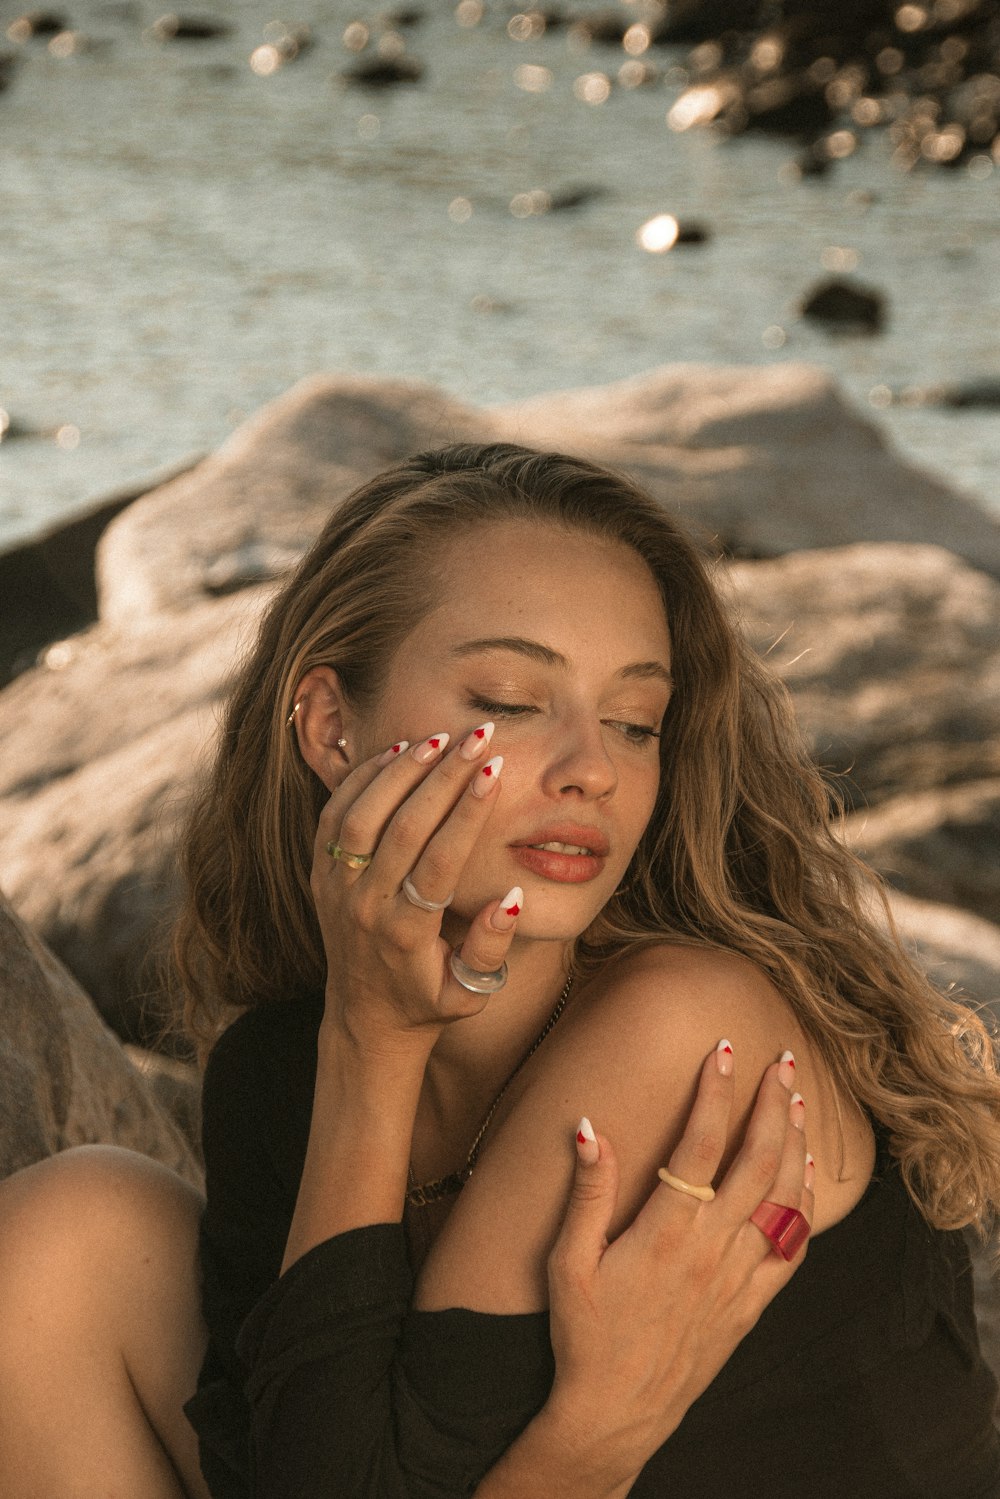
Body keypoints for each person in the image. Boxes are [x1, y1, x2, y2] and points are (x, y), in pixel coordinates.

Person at [0, 442, 998, 1498]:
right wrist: (589, 1441)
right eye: (515, 700)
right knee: (72, 1241)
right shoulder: (285, 1069)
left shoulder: (686, 1027)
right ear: (333, 727)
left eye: (633, 721)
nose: (592, 768)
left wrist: (583, 1452)